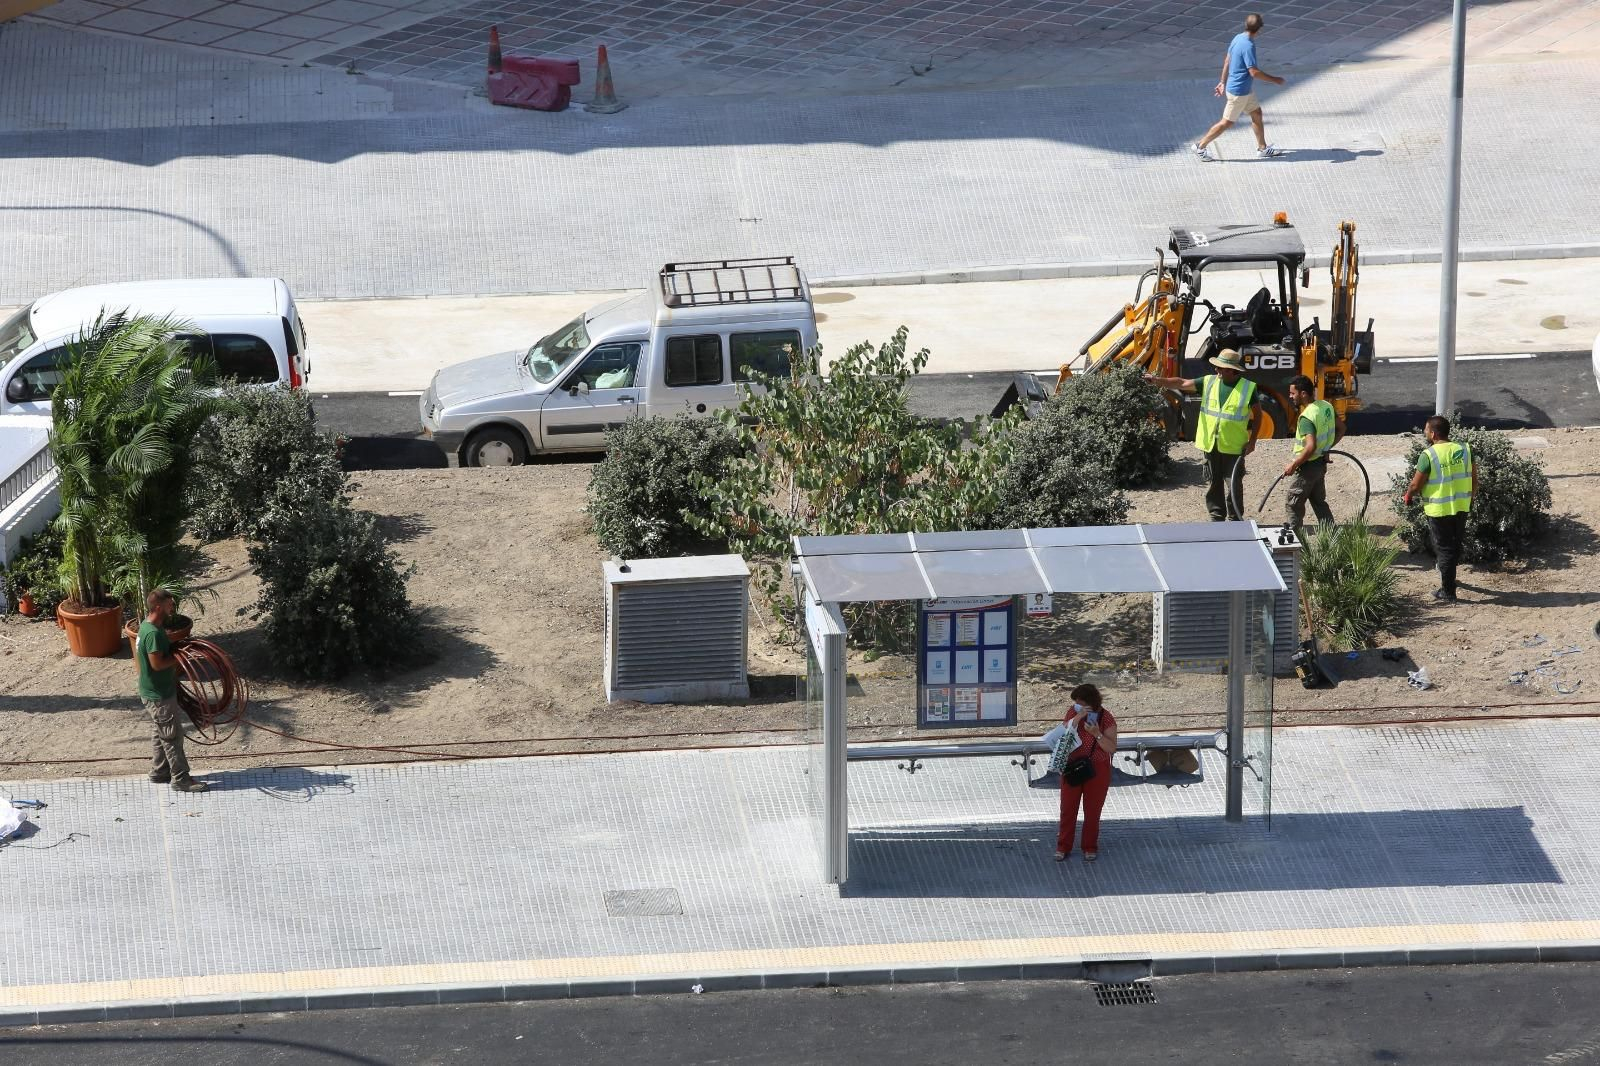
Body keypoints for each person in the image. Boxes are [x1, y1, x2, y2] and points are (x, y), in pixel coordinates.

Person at [1146, 349, 1261, 521]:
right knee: (1213, 483)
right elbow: (1182, 383)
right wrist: (1157, 380)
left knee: (1234, 485)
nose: (1217, 370)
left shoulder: (1248, 388)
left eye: (1221, 368)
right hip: (1211, 445)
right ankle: (1216, 517)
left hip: (1234, 447)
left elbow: (1258, 415)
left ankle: (1236, 519)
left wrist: (1252, 441)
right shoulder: (1209, 382)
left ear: (1232, 370)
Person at [137, 590, 207, 793]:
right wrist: (182, 658)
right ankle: (181, 779)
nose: (172, 607)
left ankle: (159, 772)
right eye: (169, 604)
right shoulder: (153, 634)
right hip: (158, 695)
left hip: (153, 691)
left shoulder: (147, 625)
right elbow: (157, 664)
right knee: (172, 736)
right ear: (158, 606)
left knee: (161, 733)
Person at [1192, 13, 1287, 162]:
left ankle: (1263, 148)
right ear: (1259, 29)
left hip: (1243, 90)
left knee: (1256, 113)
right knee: (1226, 122)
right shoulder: (1248, 45)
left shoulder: (1238, 38)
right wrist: (1275, 79)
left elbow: (1227, 60)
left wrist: (1222, 82)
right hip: (1239, 92)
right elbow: (1253, 71)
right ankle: (1200, 146)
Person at [1402, 415, 1476, 603]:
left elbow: (1416, 485)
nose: (1425, 432)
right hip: (1461, 506)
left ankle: (1448, 591)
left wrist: (1408, 496)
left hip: (1439, 510)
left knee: (1444, 549)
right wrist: (1470, 498)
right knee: (1454, 546)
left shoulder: (1429, 455)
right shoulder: (1465, 449)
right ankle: (1450, 578)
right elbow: (1475, 480)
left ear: (1433, 433)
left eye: (1426, 430)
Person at [1055, 684, 1118, 863]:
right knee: (1067, 808)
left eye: (1081, 703)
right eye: (1076, 703)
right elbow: (1063, 732)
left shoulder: (1106, 718)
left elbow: (1111, 747)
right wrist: (1077, 718)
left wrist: (1097, 734)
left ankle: (1089, 847)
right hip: (1072, 766)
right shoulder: (1073, 713)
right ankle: (1063, 846)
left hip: (1097, 768)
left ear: (1091, 703)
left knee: (1092, 811)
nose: (1077, 705)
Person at [1282, 374, 1343, 531]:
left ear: (1303, 394)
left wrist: (1293, 465)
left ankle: (1294, 543)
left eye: (1292, 393)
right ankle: (1333, 540)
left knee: (1293, 504)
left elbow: (1310, 447)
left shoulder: (1306, 417)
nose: (1290, 396)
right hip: (1320, 465)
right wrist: (1326, 448)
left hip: (1306, 469)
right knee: (1319, 503)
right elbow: (1342, 428)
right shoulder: (1325, 406)